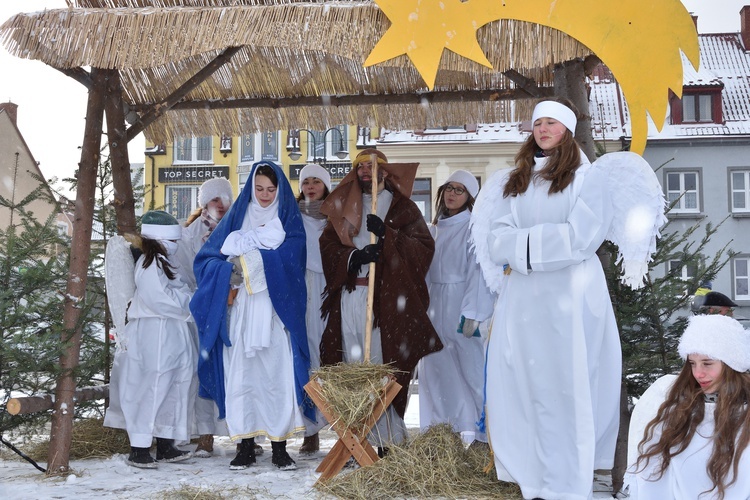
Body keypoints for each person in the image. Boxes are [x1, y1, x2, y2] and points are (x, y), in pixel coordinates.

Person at [472, 98, 621, 499]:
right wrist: (532, 248)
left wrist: (523, 248)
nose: (542, 129)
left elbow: (583, 238)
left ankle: (568, 482)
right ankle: (530, 477)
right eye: (538, 123)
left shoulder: (588, 180)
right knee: (523, 381)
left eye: (551, 122)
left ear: (567, 130)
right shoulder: (517, 180)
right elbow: (495, 239)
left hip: (570, 295)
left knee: (567, 384)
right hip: (523, 298)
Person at [190, 161, 314, 471]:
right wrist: (227, 272)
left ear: (280, 189)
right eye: (258, 188)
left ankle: (279, 446)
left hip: (275, 308)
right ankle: (244, 445)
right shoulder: (237, 216)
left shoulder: (288, 218)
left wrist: (253, 263)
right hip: (243, 309)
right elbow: (206, 260)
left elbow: (294, 259)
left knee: (277, 375)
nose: (264, 195)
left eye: (271, 190)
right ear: (250, 187)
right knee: (242, 374)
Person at [319, 148, 443, 452]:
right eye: (360, 167)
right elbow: (328, 247)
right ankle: (356, 443)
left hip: (385, 302)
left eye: (372, 167)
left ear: (385, 172)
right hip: (351, 297)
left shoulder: (403, 208)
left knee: (382, 368)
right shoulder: (342, 206)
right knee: (352, 366)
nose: (365, 172)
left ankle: (387, 442)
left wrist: (387, 236)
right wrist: (355, 256)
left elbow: (422, 249)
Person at [104, 210, 195, 469]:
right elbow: (159, 298)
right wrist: (191, 303)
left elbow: (178, 289)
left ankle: (166, 443)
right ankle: (140, 447)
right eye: (174, 240)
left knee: (176, 384)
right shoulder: (150, 262)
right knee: (151, 386)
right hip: (155, 332)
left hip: (173, 331)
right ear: (163, 239)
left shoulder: (164, 259)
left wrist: (188, 300)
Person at [625, 314, 750, 499]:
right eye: (692, 363)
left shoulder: (743, 413)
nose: (698, 373)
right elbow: (651, 473)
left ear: (731, 364)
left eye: (707, 363)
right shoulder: (676, 406)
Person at [417, 170, 494, 443]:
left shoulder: (474, 227)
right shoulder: (433, 230)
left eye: (460, 190)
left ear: (470, 197)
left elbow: (479, 272)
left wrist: (473, 313)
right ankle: (441, 429)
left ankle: (484, 433)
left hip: (460, 304)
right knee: (436, 369)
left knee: (470, 370)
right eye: (449, 188)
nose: (452, 193)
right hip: (434, 305)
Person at [173, 176, 233, 458]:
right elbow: (184, 274)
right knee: (205, 370)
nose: (220, 205)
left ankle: (242, 433)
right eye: (214, 199)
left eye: (224, 199)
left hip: (233, 308)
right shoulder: (190, 235)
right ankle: (206, 433)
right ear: (204, 203)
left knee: (234, 369)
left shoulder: (238, 228)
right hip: (203, 311)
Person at [296, 163, 332, 455]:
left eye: (315, 181)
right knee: (303, 356)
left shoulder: (335, 216)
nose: (310, 186)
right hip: (299, 287)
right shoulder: (290, 217)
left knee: (325, 354)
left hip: (328, 287)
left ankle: (329, 421)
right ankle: (309, 428)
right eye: (305, 181)